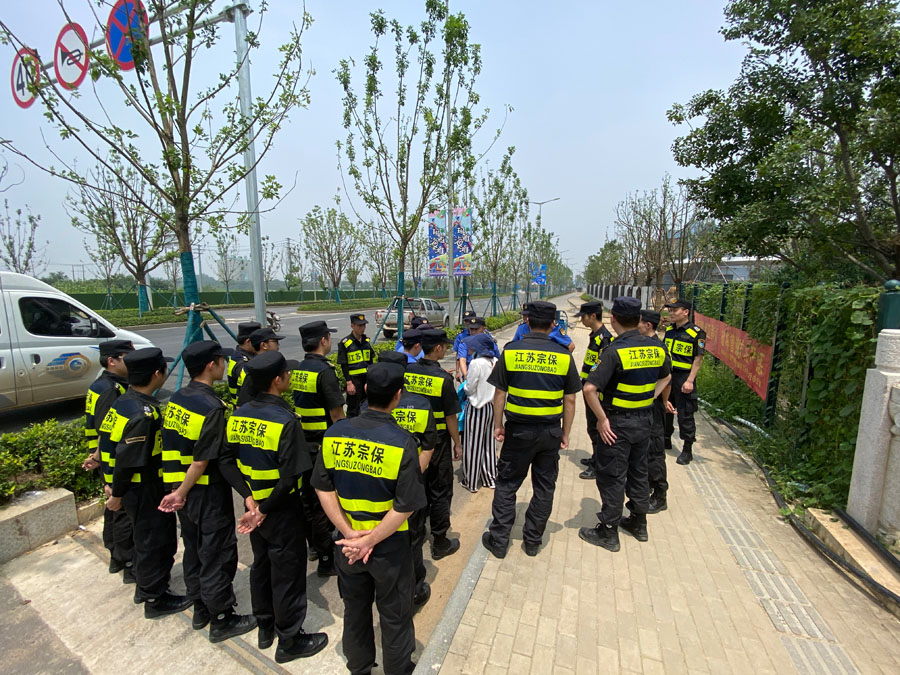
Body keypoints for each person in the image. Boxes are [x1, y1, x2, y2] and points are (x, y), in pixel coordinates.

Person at [313, 362, 426, 675]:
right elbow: (405, 506)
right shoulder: (402, 442)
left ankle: (359, 667)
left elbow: (323, 488)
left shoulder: (335, 433)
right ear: (398, 396)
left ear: (364, 390)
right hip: (388, 547)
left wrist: (349, 534)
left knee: (355, 609)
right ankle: (398, 668)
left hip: (347, 546)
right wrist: (369, 540)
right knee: (395, 613)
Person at [223, 351, 328, 663]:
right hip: (279, 510)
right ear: (277, 380)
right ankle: (290, 640)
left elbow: (226, 461)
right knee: (288, 572)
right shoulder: (285, 421)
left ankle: (265, 626)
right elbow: (290, 477)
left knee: (262, 565)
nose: (289, 377)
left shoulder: (238, 415)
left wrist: (249, 499)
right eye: (286, 373)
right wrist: (264, 509)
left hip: (255, 507)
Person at [157, 340, 257, 642]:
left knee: (195, 550)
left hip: (180, 490)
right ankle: (222, 618)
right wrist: (182, 492)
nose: (224, 365)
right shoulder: (211, 407)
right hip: (203, 493)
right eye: (221, 361)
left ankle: (200, 607)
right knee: (216, 554)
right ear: (211, 365)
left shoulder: (178, 398)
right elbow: (201, 461)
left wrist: (177, 492)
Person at [481, 301, 581, 559]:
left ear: (526, 321)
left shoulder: (511, 351)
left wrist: (498, 425)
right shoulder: (563, 356)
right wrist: (566, 433)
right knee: (544, 487)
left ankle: (499, 541)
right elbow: (570, 400)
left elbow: (499, 393)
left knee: (507, 484)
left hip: (518, 432)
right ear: (553, 324)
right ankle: (533, 541)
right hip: (550, 432)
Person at [104, 348, 192, 618]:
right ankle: (155, 598)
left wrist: (110, 482)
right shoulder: (143, 415)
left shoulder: (124, 402)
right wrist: (117, 493)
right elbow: (127, 460)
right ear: (157, 374)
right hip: (142, 488)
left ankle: (145, 587)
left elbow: (106, 443)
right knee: (155, 541)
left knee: (144, 538)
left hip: (134, 487)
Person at [579, 298, 672, 552]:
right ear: (639, 319)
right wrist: (649, 398)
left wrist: (602, 419)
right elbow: (666, 377)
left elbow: (589, 389)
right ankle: (638, 523)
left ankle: (609, 532)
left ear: (613, 319)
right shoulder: (657, 348)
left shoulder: (614, 351)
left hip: (617, 425)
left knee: (612, 475)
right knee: (639, 472)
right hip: (644, 422)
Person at [377, 350, 438, 609]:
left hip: (379, 484)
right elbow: (429, 446)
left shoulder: (367, 406)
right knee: (412, 535)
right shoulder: (420, 404)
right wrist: (414, 478)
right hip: (410, 484)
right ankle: (414, 589)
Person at [291, 320, 346, 577]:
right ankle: (326, 559)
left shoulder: (300, 369)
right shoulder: (325, 372)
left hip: (304, 444)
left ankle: (313, 546)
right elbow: (337, 415)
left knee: (308, 499)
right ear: (323, 340)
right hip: (322, 446)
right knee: (323, 502)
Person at [406, 328, 463, 559]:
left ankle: (416, 535)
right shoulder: (443, 380)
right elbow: (451, 417)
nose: (446, 349)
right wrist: (457, 443)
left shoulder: (407, 372)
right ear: (438, 348)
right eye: (445, 346)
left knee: (416, 487)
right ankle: (440, 542)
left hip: (412, 440)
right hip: (437, 443)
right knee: (440, 490)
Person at [82, 339, 134, 581]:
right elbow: (108, 431)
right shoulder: (111, 390)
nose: (132, 361)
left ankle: (116, 556)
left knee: (114, 507)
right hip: (111, 458)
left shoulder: (101, 384)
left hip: (104, 456)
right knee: (121, 509)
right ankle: (128, 561)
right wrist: (99, 458)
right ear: (112, 361)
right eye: (127, 357)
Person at [573, 301, 614, 480]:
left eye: (583, 316)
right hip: (589, 385)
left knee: (597, 427)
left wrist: (596, 391)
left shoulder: (604, 339)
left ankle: (599, 465)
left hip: (596, 391)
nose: (582, 320)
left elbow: (604, 370)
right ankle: (596, 457)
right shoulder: (595, 336)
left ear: (593, 316)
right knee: (591, 426)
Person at [662, 300, 706, 465]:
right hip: (668, 377)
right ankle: (665, 438)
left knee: (685, 413)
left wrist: (690, 380)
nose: (671, 313)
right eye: (670, 310)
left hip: (684, 378)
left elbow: (698, 359)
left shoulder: (697, 333)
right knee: (665, 408)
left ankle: (687, 450)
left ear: (686, 312)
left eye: (675, 310)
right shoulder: (669, 330)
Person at [637, 310, 672, 514]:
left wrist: (662, 402)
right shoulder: (645, 346)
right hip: (646, 405)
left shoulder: (659, 349)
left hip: (654, 407)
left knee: (655, 452)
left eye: (639, 322)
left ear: (648, 325)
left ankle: (660, 495)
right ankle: (648, 486)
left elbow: (667, 380)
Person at [461, 333, 498, 493]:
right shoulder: (495, 361)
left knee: (473, 445)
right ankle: (490, 478)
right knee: (489, 444)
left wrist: (464, 387)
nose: (469, 347)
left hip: (476, 408)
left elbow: (470, 388)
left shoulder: (476, 363)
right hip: (491, 407)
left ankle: (471, 481)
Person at [235, 327, 285, 406]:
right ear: (264, 345)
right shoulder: (254, 370)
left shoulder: (261, 365)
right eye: (275, 341)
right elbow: (242, 404)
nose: (278, 344)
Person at [337, 314, 375, 418]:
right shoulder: (345, 343)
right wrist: (349, 382)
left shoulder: (366, 341)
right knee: (353, 409)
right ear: (352, 326)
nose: (362, 328)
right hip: (354, 381)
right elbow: (344, 364)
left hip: (366, 379)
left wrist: (370, 380)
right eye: (359, 326)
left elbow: (370, 361)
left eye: (364, 325)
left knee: (367, 406)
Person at [226, 322, 261, 403]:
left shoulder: (247, 355)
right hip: (244, 406)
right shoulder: (241, 361)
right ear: (248, 341)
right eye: (258, 340)